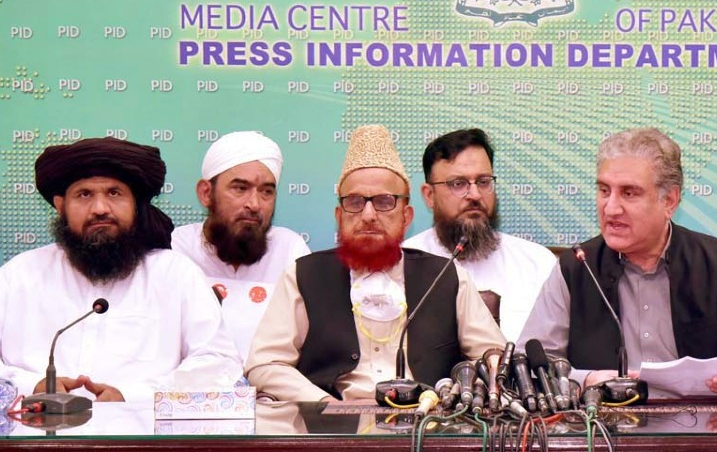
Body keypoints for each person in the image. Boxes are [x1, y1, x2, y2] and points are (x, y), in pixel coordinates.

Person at [518, 127, 717, 402]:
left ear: (669, 200)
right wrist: (584, 380)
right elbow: (530, 362)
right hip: (601, 430)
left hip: (705, 430)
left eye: (629, 193)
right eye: (603, 190)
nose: (610, 208)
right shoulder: (576, 267)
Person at [245, 125, 506, 401]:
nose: (368, 215)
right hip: (332, 434)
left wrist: (452, 398)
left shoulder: (446, 277)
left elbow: (495, 360)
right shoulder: (304, 276)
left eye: (384, 201)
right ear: (339, 215)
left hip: (426, 430)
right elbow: (265, 364)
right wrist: (324, 405)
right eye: (355, 202)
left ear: (406, 216)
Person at [0, 137, 242, 402]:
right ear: (61, 206)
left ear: (136, 205)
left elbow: (219, 363)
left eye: (114, 193)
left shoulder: (175, 274)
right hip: (38, 438)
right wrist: (33, 385)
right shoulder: (19, 275)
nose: (100, 209)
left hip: (142, 438)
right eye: (84, 194)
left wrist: (132, 396)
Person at [403, 128, 555, 341]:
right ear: (429, 196)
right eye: (458, 184)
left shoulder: (537, 263)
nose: (474, 195)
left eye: (483, 182)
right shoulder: (405, 263)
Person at [171, 131, 310, 359]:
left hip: (272, 390)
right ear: (206, 193)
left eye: (266, 192)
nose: (254, 204)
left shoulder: (290, 250)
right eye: (240, 188)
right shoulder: (177, 249)